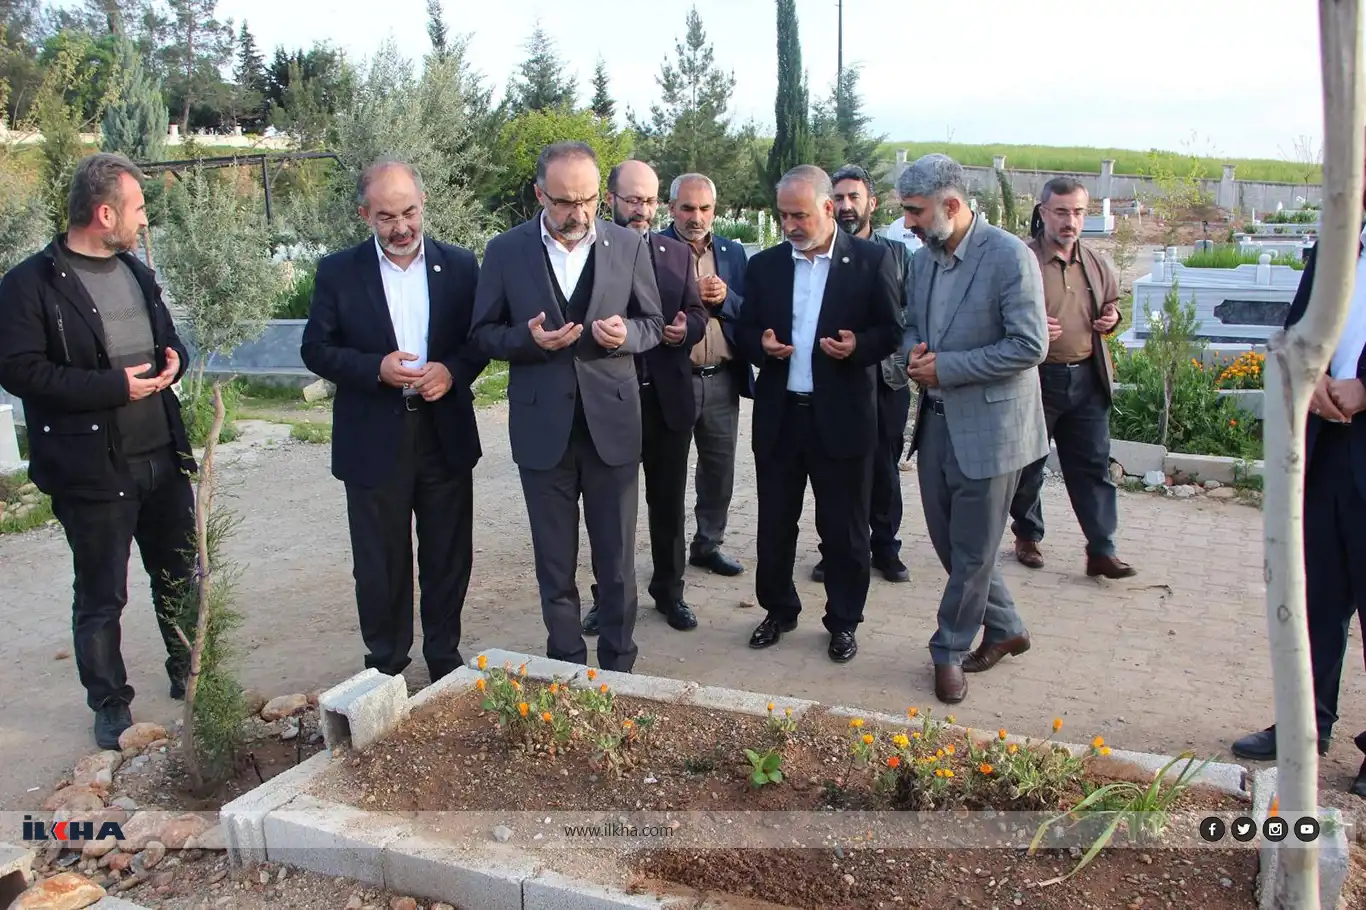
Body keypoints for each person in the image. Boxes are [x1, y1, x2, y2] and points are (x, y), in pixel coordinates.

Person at [0, 152, 195, 749]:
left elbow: (168, 336)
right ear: (104, 211)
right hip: (93, 469)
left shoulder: (134, 270)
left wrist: (174, 360)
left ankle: (187, 668)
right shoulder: (30, 284)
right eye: (136, 209)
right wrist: (114, 386)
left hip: (160, 451)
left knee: (179, 574)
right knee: (102, 593)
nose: (143, 220)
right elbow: (19, 371)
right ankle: (109, 703)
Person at [469, 141, 664, 672]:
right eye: (563, 202)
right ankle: (566, 664)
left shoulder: (627, 244)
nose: (578, 214)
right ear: (539, 194)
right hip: (542, 431)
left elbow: (653, 324)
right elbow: (482, 334)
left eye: (589, 200)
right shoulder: (506, 251)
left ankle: (620, 666)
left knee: (618, 561)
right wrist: (530, 342)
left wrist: (626, 335)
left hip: (613, 427)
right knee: (554, 563)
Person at [300, 158, 486, 684]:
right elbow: (315, 348)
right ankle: (385, 666)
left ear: (423, 205)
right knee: (380, 563)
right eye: (386, 217)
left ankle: (444, 659)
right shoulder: (338, 271)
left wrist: (451, 371)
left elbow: (479, 341)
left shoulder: (460, 265)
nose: (401, 227)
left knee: (448, 554)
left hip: (443, 431)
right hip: (372, 437)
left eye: (409, 212)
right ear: (365, 215)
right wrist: (375, 370)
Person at [1230, 182, 1366, 798]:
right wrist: (1308, 384)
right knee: (1320, 597)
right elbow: (1295, 328)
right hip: (1328, 447)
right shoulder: (1334, 248)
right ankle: (1306, 726)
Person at [734, 164, 902, 663]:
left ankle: (844, 621)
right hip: (782, 416)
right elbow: (744, 331)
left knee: (845, 528)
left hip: (844, 417)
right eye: (783, 215)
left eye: (799, 215)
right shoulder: (765, 266)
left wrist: (858, 346)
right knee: (776, 522)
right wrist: (761, 346)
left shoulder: (871, 262)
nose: (790, 225)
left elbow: (892, 331)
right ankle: (779, 609)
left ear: (829, 209)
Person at [898, 153, 1049, 705]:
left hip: (995, 429)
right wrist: (911, 351)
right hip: (935, 424)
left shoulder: (1009, 257)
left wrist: (948, 367)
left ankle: (948, 649)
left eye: (915, 212)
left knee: (973, 551)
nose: (908, 223)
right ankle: (1007, 626)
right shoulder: (923, 260)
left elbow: (1030, 345)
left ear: (952, 205)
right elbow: (912, 322)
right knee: (952, 544)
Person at [581, 160, 706, 634]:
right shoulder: (590, 254)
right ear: (610, 199)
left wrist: (683, 329)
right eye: (633, 199)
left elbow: (696, 313)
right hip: (609, 403)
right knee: (608, 508)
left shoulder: (675, 253)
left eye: (650, 200)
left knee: (668, 504)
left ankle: (670, 592)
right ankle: (607, 596)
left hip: (666, 399)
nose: (642, 209)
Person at [1007, 178, 1134, 578]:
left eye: (1078, 212)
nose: (1070, 221)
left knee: (1093, 466)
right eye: (1061, 212)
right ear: (1043, 212)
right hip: (1034, 380)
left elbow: (1111, 305)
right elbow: (994, 313)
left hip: (1086, 380)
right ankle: (1027, 534)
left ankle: (1102, 549)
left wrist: (1111, 319)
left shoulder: (1096, 262)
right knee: (1028, 466)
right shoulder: (1020, 260)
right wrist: (1027, 325)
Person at [810, 163, 917, 584]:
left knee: (884, 468)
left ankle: (885, 547)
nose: (846, 206)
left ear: (872, 202)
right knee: (832, 469)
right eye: (838, 198)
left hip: (886, 380)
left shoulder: (897, 256)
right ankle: (832, 549)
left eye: (854, 197)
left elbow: (909, 317)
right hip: (835, 379)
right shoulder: (820, 254)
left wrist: (892, 352)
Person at [660, 173, 753, 577]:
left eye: (704, 208)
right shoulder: (654, 249)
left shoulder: (733, 252)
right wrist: (690, 296)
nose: (696, 217)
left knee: (719, 468)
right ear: (671, 208)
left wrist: (727, 297)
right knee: (669, 472)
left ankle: (707, 544)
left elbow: (751, 311)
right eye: (687, 208)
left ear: (715, 210)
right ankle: (670, 557)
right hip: (672, 380)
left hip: (722, 380)